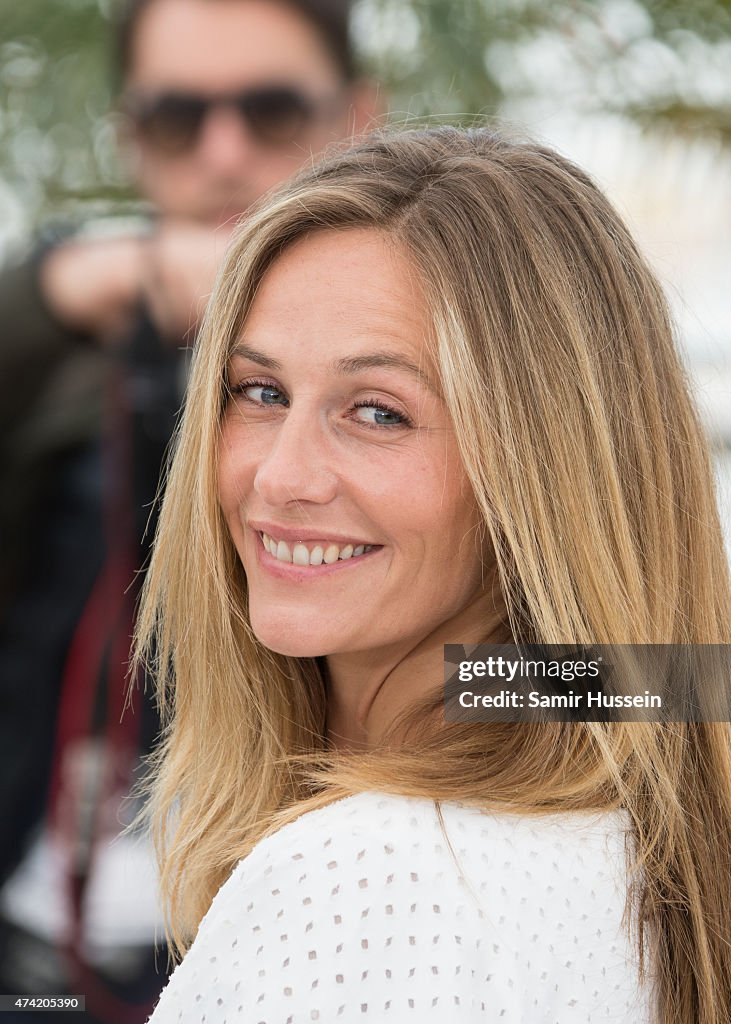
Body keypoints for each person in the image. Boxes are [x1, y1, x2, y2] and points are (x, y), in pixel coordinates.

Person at [134, 126, 731, 1023]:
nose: (281, 477)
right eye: (259, 392)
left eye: (378, 412)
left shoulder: (361, 883)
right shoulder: (638, 854)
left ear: (542, 475)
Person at [0, 0, 378, 1019]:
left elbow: (647, 681)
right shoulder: (75, 357)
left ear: (360, 116)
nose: (223, 153)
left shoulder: (489, 353)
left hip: (327, 940)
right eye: (176, 117)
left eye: (271, 110)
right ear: (129, 134)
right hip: (41, 947)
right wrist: (71, 283)